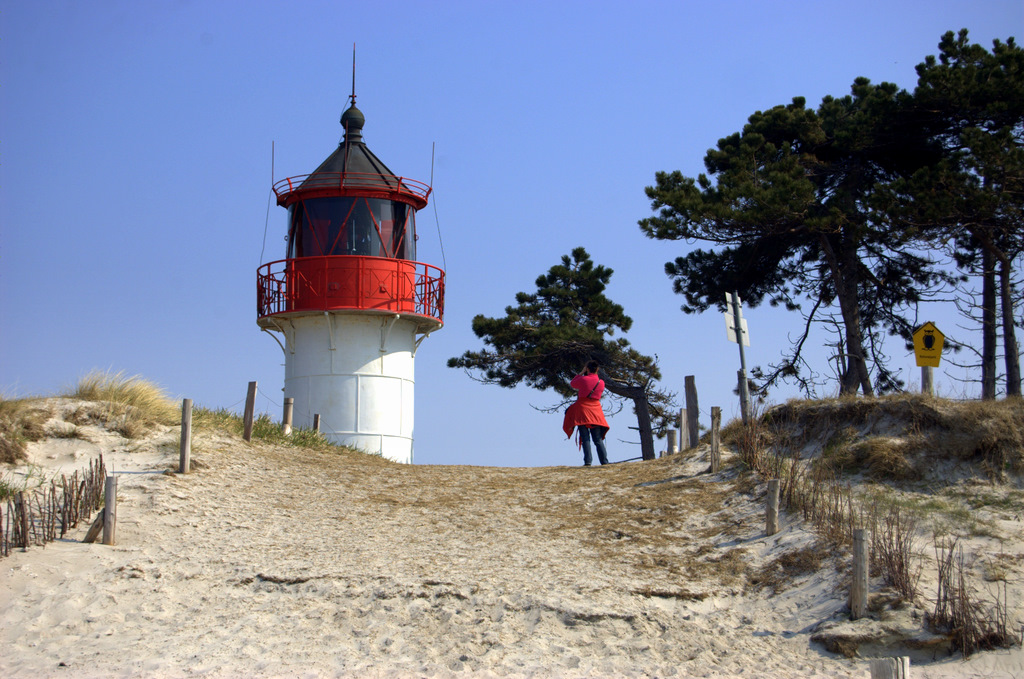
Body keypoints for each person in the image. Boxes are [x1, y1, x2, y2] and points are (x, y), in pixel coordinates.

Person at [562, 360, 610, 466]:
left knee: (585, 437)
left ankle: (588, 462)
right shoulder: (601, 383)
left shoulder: (583, 379)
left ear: (587, 369)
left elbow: (573, 384)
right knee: (597, 439)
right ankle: (604, 461)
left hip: (582, 410)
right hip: (596, 411)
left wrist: (580, 373)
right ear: (597, 369)